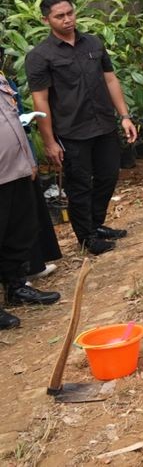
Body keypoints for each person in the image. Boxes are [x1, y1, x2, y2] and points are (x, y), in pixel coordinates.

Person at [25, 0, 139, 250]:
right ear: (46, 20)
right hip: (72, 131)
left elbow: (110, 79)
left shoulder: (93, 43)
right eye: (59, 16)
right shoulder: (40, 56)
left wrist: (124, 116)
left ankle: (95, 223)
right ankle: (87, 237)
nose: (67, 20)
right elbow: (40, 101)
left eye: (70, 13)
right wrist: (49, 142)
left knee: (108, 176)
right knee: (79, 185)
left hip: (104, 124)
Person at [1, 68, 62, 329]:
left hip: (16, 168)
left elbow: (12, 120)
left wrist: (29, 160)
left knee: (18, 232)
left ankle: (16, 287)